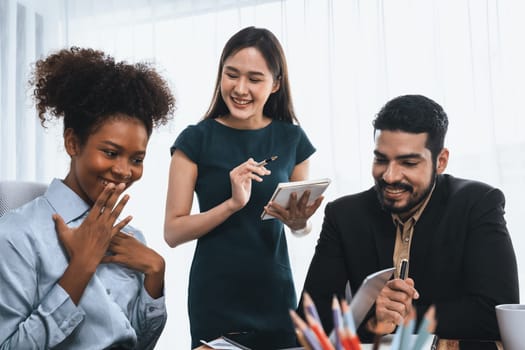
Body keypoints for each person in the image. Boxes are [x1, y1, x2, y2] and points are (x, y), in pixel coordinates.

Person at [299, 94, 519, 349]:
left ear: (441, 161)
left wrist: (404, 315)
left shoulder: (478, 204)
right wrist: (373, 322)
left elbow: (498, 314)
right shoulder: (344, 215)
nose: (390, 176)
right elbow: (307, 321)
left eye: (409, 162)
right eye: (381, 160)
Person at [0, 47, 175, 349]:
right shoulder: (18, 234)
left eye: (136, 159)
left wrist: (155, 273)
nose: (123, 171)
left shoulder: (131, 238)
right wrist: (82, 267)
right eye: (110, 152)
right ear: (72, 142)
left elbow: (139, 344)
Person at [164, 26, 323, 348]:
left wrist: (299, 224)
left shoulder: (292, 140)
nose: (240, 88)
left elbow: (300, 226)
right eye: (231, 75)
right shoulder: (195, 140)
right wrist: (232, 204)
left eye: (254, 78)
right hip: (216, 296)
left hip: (275, 293)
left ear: (276, 84)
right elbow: (173, 232)